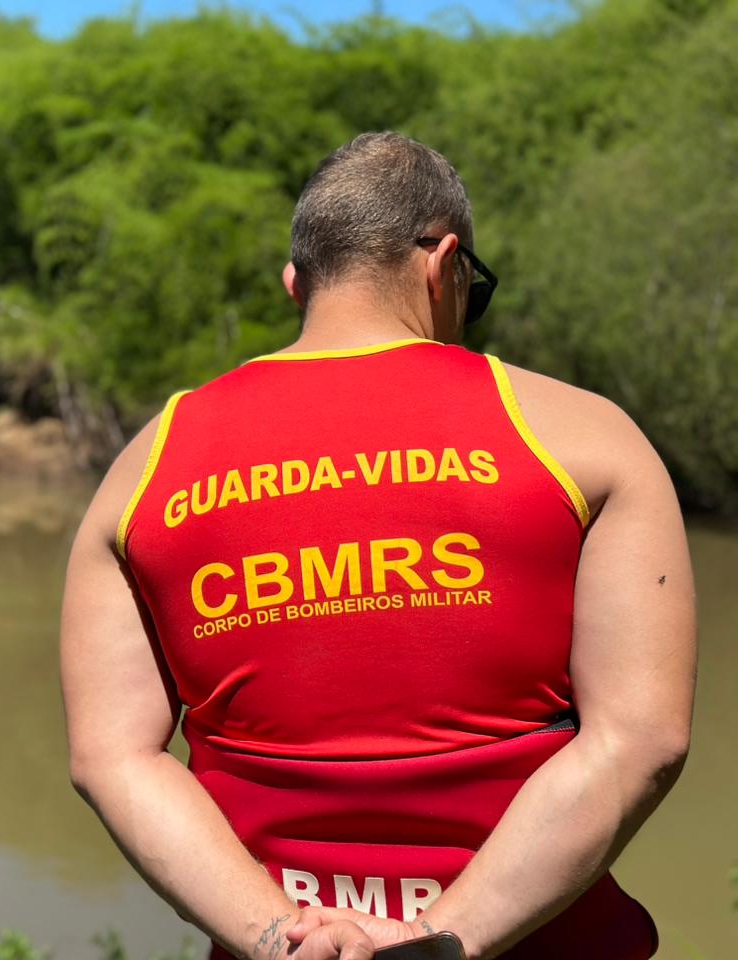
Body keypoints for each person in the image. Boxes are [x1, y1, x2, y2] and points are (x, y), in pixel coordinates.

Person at [60, 133, 696, 960]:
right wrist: (436, 939)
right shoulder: (584, 436)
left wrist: (278, 935)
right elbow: (641, 740)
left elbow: (112, 757)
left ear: (298, 283)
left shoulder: (146, 464)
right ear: (447, 266)